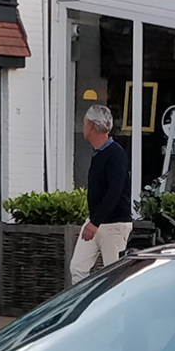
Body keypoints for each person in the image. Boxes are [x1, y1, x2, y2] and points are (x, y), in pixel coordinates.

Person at [71, 103, 132, 282]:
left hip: (114, 224)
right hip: (96, 221)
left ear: (92, 125)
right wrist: (94, 221)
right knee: (78, 267)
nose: (83, 127)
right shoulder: (99, 153)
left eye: (84, 123)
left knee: (115, 276)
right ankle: (85, 307)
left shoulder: (116, 154)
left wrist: (95, 222)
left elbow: (115, 190)